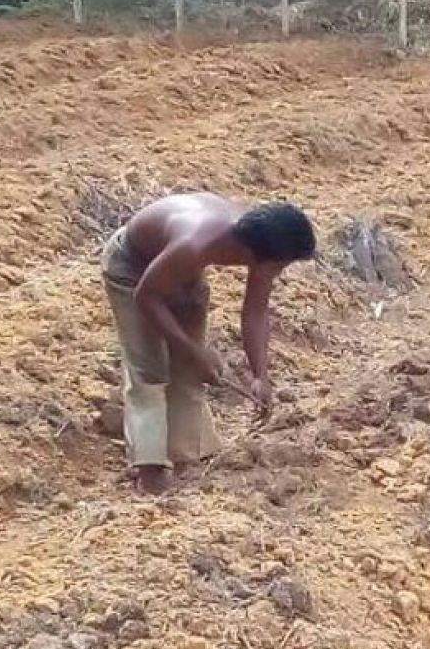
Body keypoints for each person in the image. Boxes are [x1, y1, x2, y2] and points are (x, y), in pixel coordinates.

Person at [101, 193, 316, 494]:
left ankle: (187, 456)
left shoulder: (256, 242)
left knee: (188, 374)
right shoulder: (196, 243)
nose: (280, 272)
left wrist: (260, 376)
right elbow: (146, 296)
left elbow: (255, 310)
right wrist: (192, 351)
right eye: (280, 266)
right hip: (133, 272)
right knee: (149, 372)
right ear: (256, 255)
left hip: (179, 274)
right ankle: (149, 469)